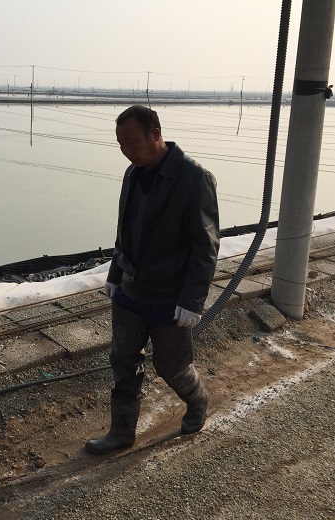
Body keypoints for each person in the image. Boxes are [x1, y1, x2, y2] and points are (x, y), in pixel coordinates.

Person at [86, 105, 220, 455]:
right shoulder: (132, 174)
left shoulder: (194, 178)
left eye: (131, 142)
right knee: (123, 359)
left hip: (168, 295)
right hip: (130, 291)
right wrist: (115, 275)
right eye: (120, 143)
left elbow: (204, 247)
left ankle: (197, 399)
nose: (125, 150)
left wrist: (192, 301)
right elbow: (125, 231)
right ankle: (121, 432)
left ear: (155, 134)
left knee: (171, 366)